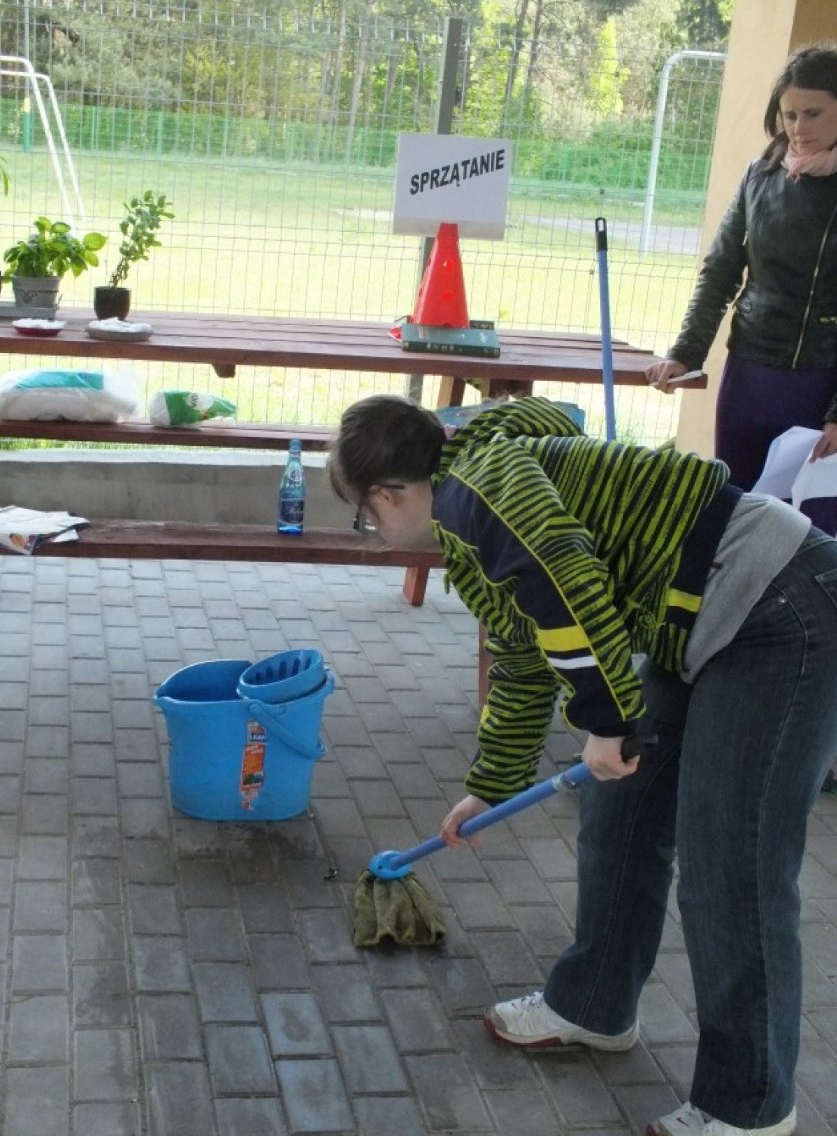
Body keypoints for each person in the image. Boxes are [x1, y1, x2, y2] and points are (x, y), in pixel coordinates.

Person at [328, 392, 837, 1136]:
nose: (375, 534)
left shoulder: (480, 491)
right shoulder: (472, 512)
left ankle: (748, 1106)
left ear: (390, 492)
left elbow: (562, 576)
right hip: (693, 612)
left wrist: (606, 719)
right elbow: (528, 654)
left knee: (732, 864)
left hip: (780, 607)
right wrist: (489, 786)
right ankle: (593, 1004)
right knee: (619, 812)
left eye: (366, 516)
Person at [645, 42, 837, 536]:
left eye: (813, 113)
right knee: (734, 513)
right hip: (750, 372)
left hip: (823, 381)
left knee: (810, 527)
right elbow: (721, 271)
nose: (799, 127)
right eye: (789, 114)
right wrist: (685, 353)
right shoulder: (760, 174)